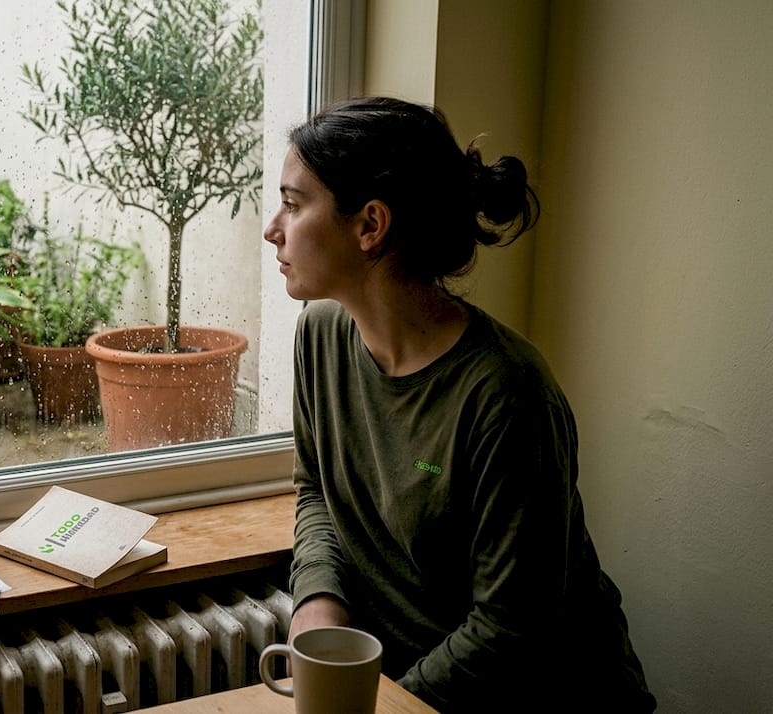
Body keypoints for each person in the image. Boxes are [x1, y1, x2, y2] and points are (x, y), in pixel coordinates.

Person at [264, 96, 656, 712]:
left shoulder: (507, 393)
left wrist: (388, 704)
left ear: (370, 225)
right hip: (411, 693)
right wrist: (316, 601)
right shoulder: (320, 337)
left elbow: (512, 628)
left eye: (292, 203)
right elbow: (317, 488)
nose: (272, 228)